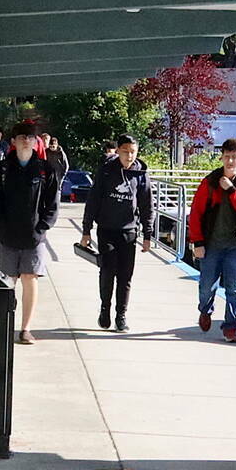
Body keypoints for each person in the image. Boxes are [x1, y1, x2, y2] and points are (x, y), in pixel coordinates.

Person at [0, 121, 60, 345]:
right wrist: (0, 226)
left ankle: (26, 328)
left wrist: (42, 228)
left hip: (34, 236)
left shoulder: (44, 169)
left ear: (35, 141)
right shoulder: (3, 169)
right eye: (21, 136)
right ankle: (5, 324)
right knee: (9, 280)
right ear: (13, 141)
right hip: (8, 235)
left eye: (30, 137)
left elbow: (52, 204)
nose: (26, 140)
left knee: (30, 278)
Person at [80, 133, 154, 331]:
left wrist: (148, 234)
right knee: (107, 271)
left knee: (125, 276)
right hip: (106, 229)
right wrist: (86, 230)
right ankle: (105, 309)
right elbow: (93, 199)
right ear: (118, 151)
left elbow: (147, 206)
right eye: (125, 151)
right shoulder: (106, 171)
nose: (129, 156)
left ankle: (121, 315)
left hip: (129, 231)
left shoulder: (141, 174)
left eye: (133, 152)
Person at [188, 138, 236, 343]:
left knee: (234, 289)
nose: (230, 161)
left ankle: (230, 328)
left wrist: (231, 190)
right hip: (211, 245)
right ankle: (205, 309)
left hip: (235, 246)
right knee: (206, 287)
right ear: (221, 158)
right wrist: (197, 242)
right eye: (226, 157)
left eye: (234, 157)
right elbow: (196, 213)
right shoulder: (209, 181)